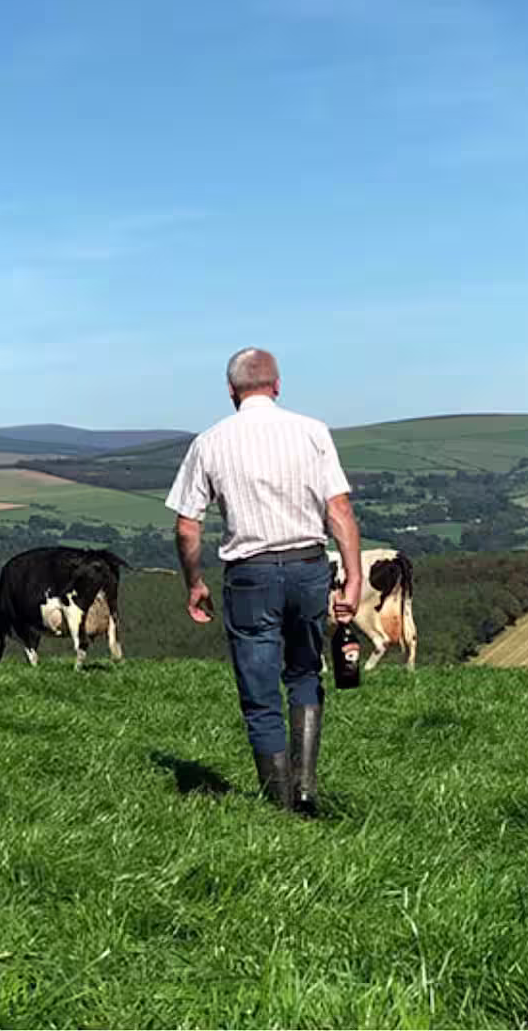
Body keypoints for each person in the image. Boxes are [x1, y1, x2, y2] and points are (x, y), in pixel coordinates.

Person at [165, 348, 362, 815]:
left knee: (258, 690)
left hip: (250, 576)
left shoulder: (210, 442)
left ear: (231, 392)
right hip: (309, 567)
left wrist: (194, 583)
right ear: (277, 385)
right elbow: (340, 511)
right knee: (305, 674)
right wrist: (353, 577)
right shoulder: (313, 433)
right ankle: (307, 790)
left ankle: (278, 803)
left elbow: (186, 525)